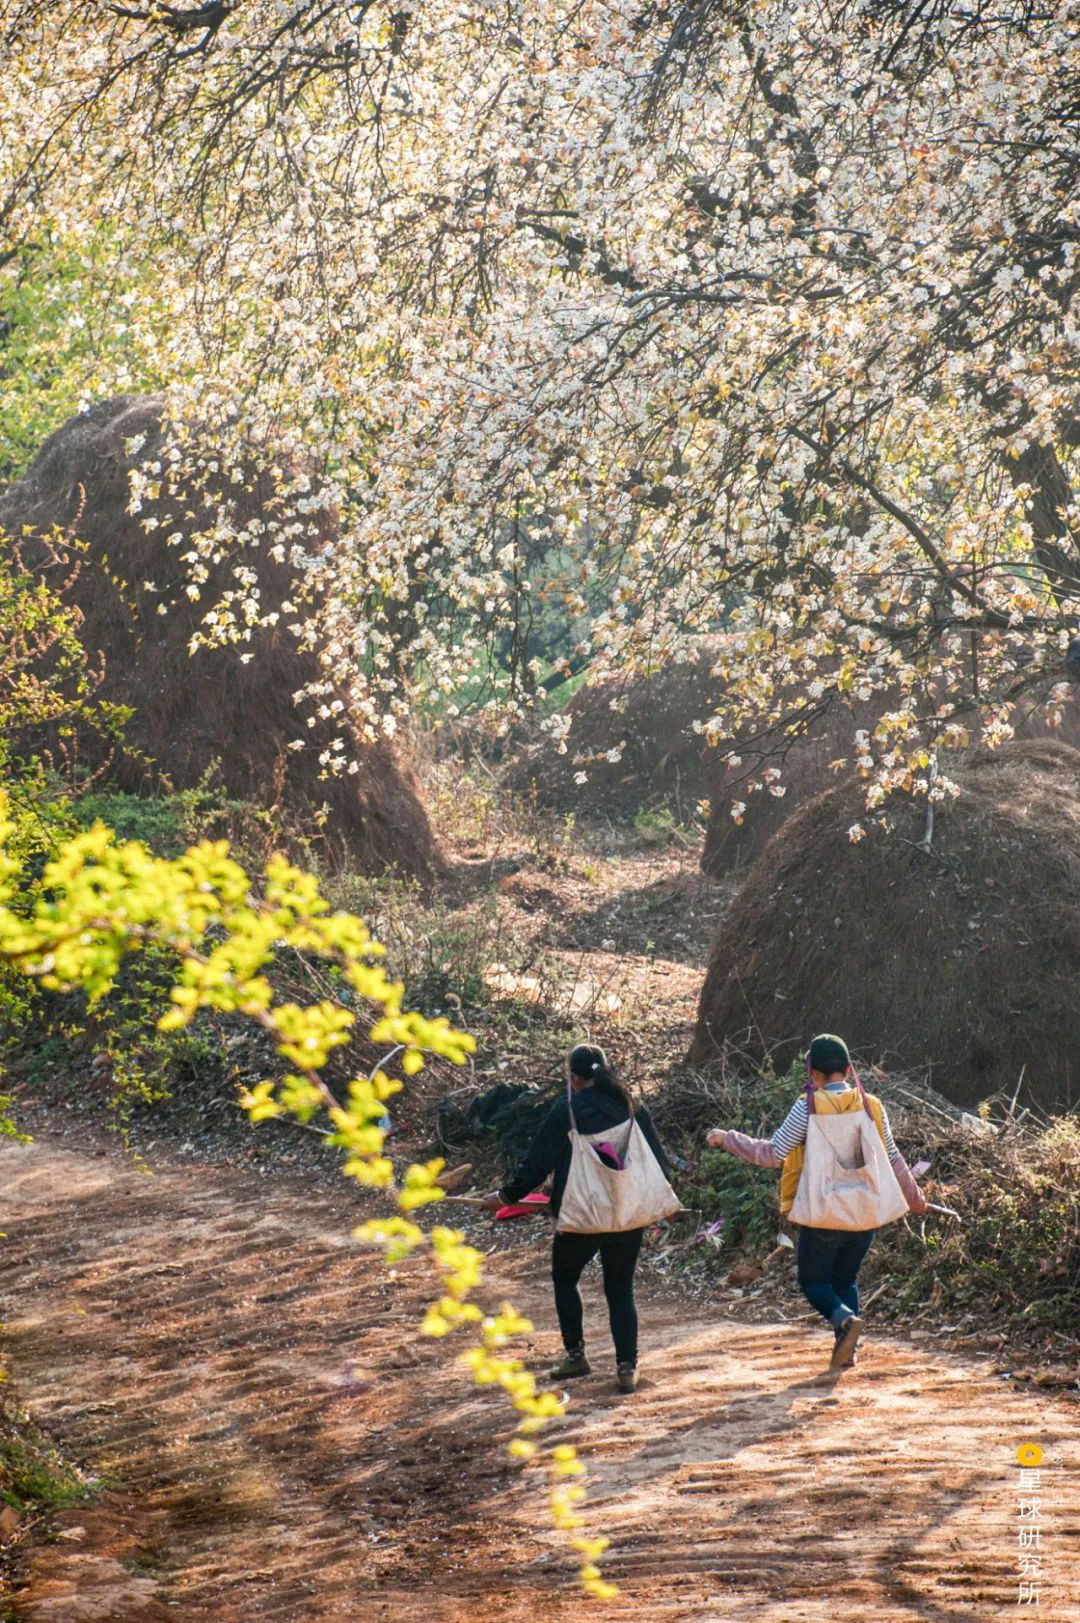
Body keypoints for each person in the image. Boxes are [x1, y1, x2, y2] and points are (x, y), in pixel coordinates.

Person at [706, 1033, 927, 1369]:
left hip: (824, 1214)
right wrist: (916, 1199)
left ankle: (843, 1319)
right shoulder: (872, 1105)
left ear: (813, 1073)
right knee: (845, 1280)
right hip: (864, 1215)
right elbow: (893, 1158)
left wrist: (727, 1139)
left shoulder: (807, 1107)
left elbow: (772, 1154)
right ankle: (847, 1351)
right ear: (848, 1070)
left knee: (812, 1282)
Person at [493, 1043, 672, 1394]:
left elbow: (536, 1164)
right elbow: (659, 1165)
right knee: (621, 1291)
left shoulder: (568, 1111)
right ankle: (626, 1368)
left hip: (583, 1215)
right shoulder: (631, 1106)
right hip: (627, 1215)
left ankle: (575, 1355)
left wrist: (504, 1197)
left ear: (574, 1078)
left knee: (564, 1276)